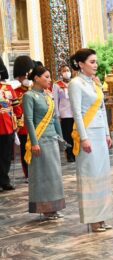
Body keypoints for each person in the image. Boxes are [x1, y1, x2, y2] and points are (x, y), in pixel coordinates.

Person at [69, 48, 113, 233]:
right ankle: (93, 220)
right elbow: (77, 113)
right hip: (87, 134)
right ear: (80, 64)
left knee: (101, 175)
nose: (96, 65)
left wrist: (107, 133)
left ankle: (102, 216)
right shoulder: (75, 84)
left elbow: (102, 110)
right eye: (92, 62)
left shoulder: (94, 83)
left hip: (100, 134)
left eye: (96, 61)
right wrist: (84, 138)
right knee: (90, 176)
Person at [23, 66, 65, 220]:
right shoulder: (29, 96)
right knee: (43, 176)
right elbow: (28, 120)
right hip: (40, 141)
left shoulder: (48, 96)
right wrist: (34, 142)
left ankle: (54, 207)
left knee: (54, 175)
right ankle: (45, 208)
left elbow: (54, 119)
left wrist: (61, 138)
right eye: (46, 77)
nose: (49, 80)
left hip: (52, 139)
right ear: (36, 78)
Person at [13, 56, 35, 181]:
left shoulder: (36, 90)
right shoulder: (15, 92)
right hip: (23, 127)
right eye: (23, 76)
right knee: (24, 150)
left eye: (27, 75)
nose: (25, 78)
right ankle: (28, 173)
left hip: (37, 124)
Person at [0, 81, 21, 191]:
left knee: (6, 156)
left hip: (8, 125)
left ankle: (4, 181)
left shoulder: (7, 87)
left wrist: (18, 120)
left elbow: (15, 105)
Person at [53, 64, 75, 162]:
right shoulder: (57, 85)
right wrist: (57, 115)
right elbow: (55, 101)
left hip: (75, 113)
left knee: (76, 134)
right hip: (65, 114)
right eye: (64, 71)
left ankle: (76, 152)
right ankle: (69, 154)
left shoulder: (74, 83)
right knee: (67, 135)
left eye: (67, 70)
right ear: (60, 73)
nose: (66, 72)